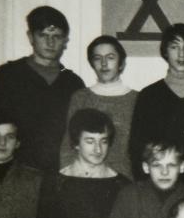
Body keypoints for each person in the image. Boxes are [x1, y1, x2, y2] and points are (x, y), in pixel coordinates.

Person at [0, 6, 84, 171]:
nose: (50, 42)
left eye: (57, 36)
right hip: (16, 173)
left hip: (59, 175)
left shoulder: (73, 83)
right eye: (43, 35)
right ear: (31, 37)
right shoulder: (7, 75)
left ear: (65, 40)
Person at [38, 108, 129, 218]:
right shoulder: (54, 183)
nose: (98, 149)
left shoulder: (122, 185)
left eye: (103, 141)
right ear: (75, 143)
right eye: (90, 141)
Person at [128, 23, 184, 177]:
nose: (181, 54)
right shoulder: (149, 95)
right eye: (174, 47)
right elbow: (137, 149)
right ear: (165, 51)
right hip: (160, 184)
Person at [59, 35, 138, 179]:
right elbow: (68, 145)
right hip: (83, 178)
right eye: (97, 58)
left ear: (121, 63)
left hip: (124, 180)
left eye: (110, 57)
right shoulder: (80, 97)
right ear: (91, 63)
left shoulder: (137, 99)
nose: (103, 64)